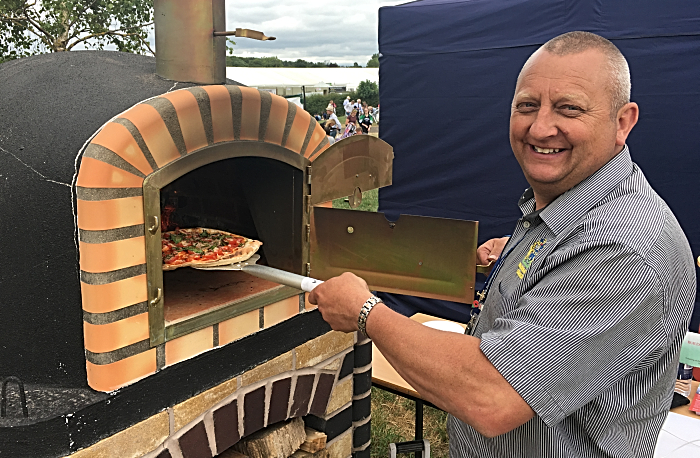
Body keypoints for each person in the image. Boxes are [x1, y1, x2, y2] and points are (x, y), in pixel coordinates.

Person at [308, 31, 696, 457]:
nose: (541, 127)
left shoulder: (626, 250)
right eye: (527, 106)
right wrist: (525, 260)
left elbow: (491, 396)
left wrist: (366, 312)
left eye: (569, 108)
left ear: (623, 122)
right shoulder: (569, 207)